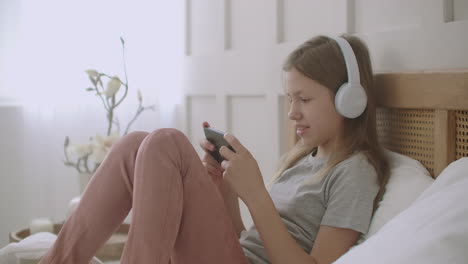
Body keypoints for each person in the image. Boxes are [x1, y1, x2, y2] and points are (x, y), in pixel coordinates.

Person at [39, 34, 389, 264]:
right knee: (135, 144)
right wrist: (226, 192)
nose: (292, 112)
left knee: (166, 143)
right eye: (289, 98)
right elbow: (246, 239)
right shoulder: (303, 159)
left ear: (350, 100)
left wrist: (255, 194)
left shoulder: (355, 172)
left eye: (305, 99)